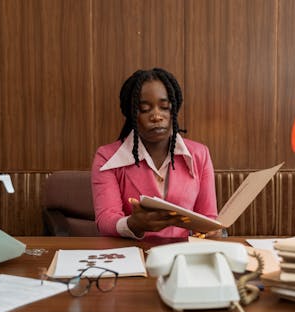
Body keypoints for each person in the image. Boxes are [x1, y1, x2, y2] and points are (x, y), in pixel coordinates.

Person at [91, 68, 221, 240]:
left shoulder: (199, 154)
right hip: (131, 255)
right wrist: (133, 224)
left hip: (182, 256)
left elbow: (209, 217)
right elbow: (105, 219)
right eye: (145, 109)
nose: (157, 116)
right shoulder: (106, 157)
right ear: (131, 114)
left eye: (165, 107)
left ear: (173, 110)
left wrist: (211, 230)